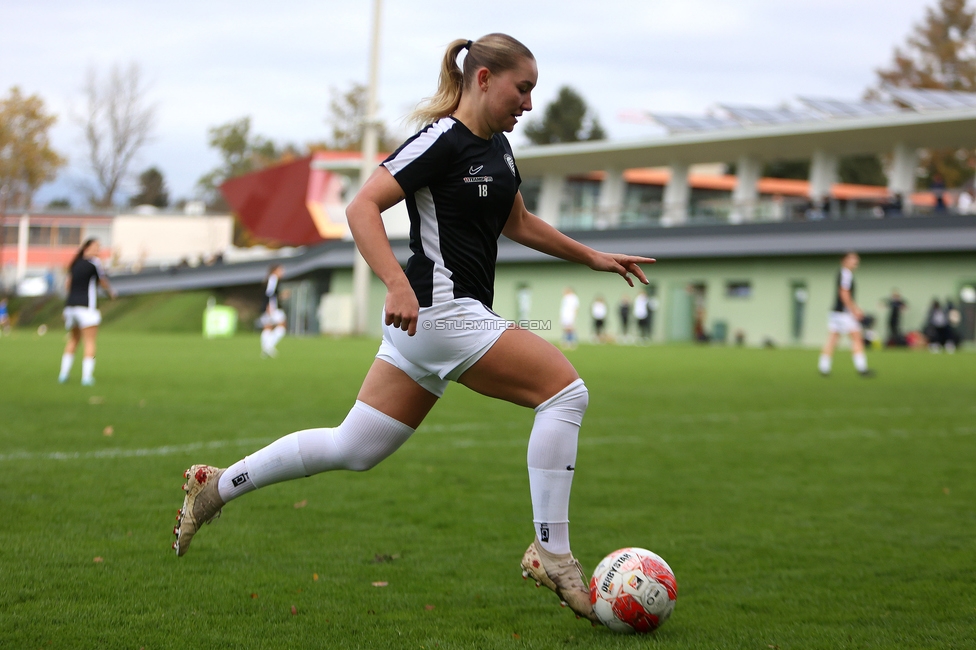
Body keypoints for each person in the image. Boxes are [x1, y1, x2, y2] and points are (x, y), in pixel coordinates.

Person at [171, 34, 655, 624]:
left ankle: (217, 486)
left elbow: (520, 222)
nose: (528, 103)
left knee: (353, 448)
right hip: (442, 312)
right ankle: (553, 556)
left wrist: (594, 257)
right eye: (521, 88)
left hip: (431, 327)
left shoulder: (498, 148)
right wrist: (396, 285)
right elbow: (360, 207)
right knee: (564, 393)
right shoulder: (440, 140)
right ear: (483, 78)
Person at [59, 238, 116, 385]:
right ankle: (87, 377)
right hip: (86, 307)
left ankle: (63, 374)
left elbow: (67, 285)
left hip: (70, 307)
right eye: (96, 246)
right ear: (87, 248)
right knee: (89, 341)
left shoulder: (74, 263)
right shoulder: (94, 263)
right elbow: (102, 280)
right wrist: (111, 292)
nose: (98, 250)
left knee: (73, 340)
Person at [818, 252, 873, 377]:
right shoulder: (846, 274)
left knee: (832, 339)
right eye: (853, 258)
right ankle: (862, 368)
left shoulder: (842, 273)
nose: (856, 261)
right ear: (844, 260)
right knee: (856, 338)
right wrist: (855, 310)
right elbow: (844, 294)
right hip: (844, 314)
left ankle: (823, 367)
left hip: (835, 313)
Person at [259, 264, 286, 358]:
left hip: (271, 306)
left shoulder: (272, 279)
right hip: (272, 307)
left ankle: (266, 349)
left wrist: (281, 296)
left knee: (268, 327)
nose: (283, 272)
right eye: (281, 270)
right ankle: (268, 347)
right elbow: (269, 293)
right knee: (280, 326)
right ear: (275, 271)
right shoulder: (273, 278)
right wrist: (269, 306)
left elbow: (272, 293)